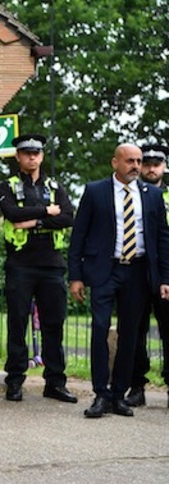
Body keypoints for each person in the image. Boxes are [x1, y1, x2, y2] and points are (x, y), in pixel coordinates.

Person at [68, 143, 169, 418]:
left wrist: (164, 278)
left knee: (131, 335)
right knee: (100, 328)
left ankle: (119, 395)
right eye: (130, 161)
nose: (136, 166)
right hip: (104, 271)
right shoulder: (95, 191)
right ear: (115, 163)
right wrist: (75, 276)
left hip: (137, 273)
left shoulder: (153, 195)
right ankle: (101, 393)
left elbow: (162, 238)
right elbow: (78, 236)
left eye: (138, 161)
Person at [0, 134, 77, 404]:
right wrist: (47, 211)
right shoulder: (7, 185)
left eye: (36, 153)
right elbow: (11, 214)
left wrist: (35, 222)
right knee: (17, 323)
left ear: (42, 156)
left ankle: (55, 382)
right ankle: (15, 381)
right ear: (18, 157)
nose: (32, 157)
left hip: (51, 265)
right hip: (20, 264)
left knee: (54, 324)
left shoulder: (55, 186)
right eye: (26, 153)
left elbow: (68, 216)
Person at [124, 144, 169, 408]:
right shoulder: (133, 194)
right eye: (147, 163)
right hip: (139, 272)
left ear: (164, 166)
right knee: (135, 331)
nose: (151, 168)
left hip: (165, 274)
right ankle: (137, 386)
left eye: (156, 164)